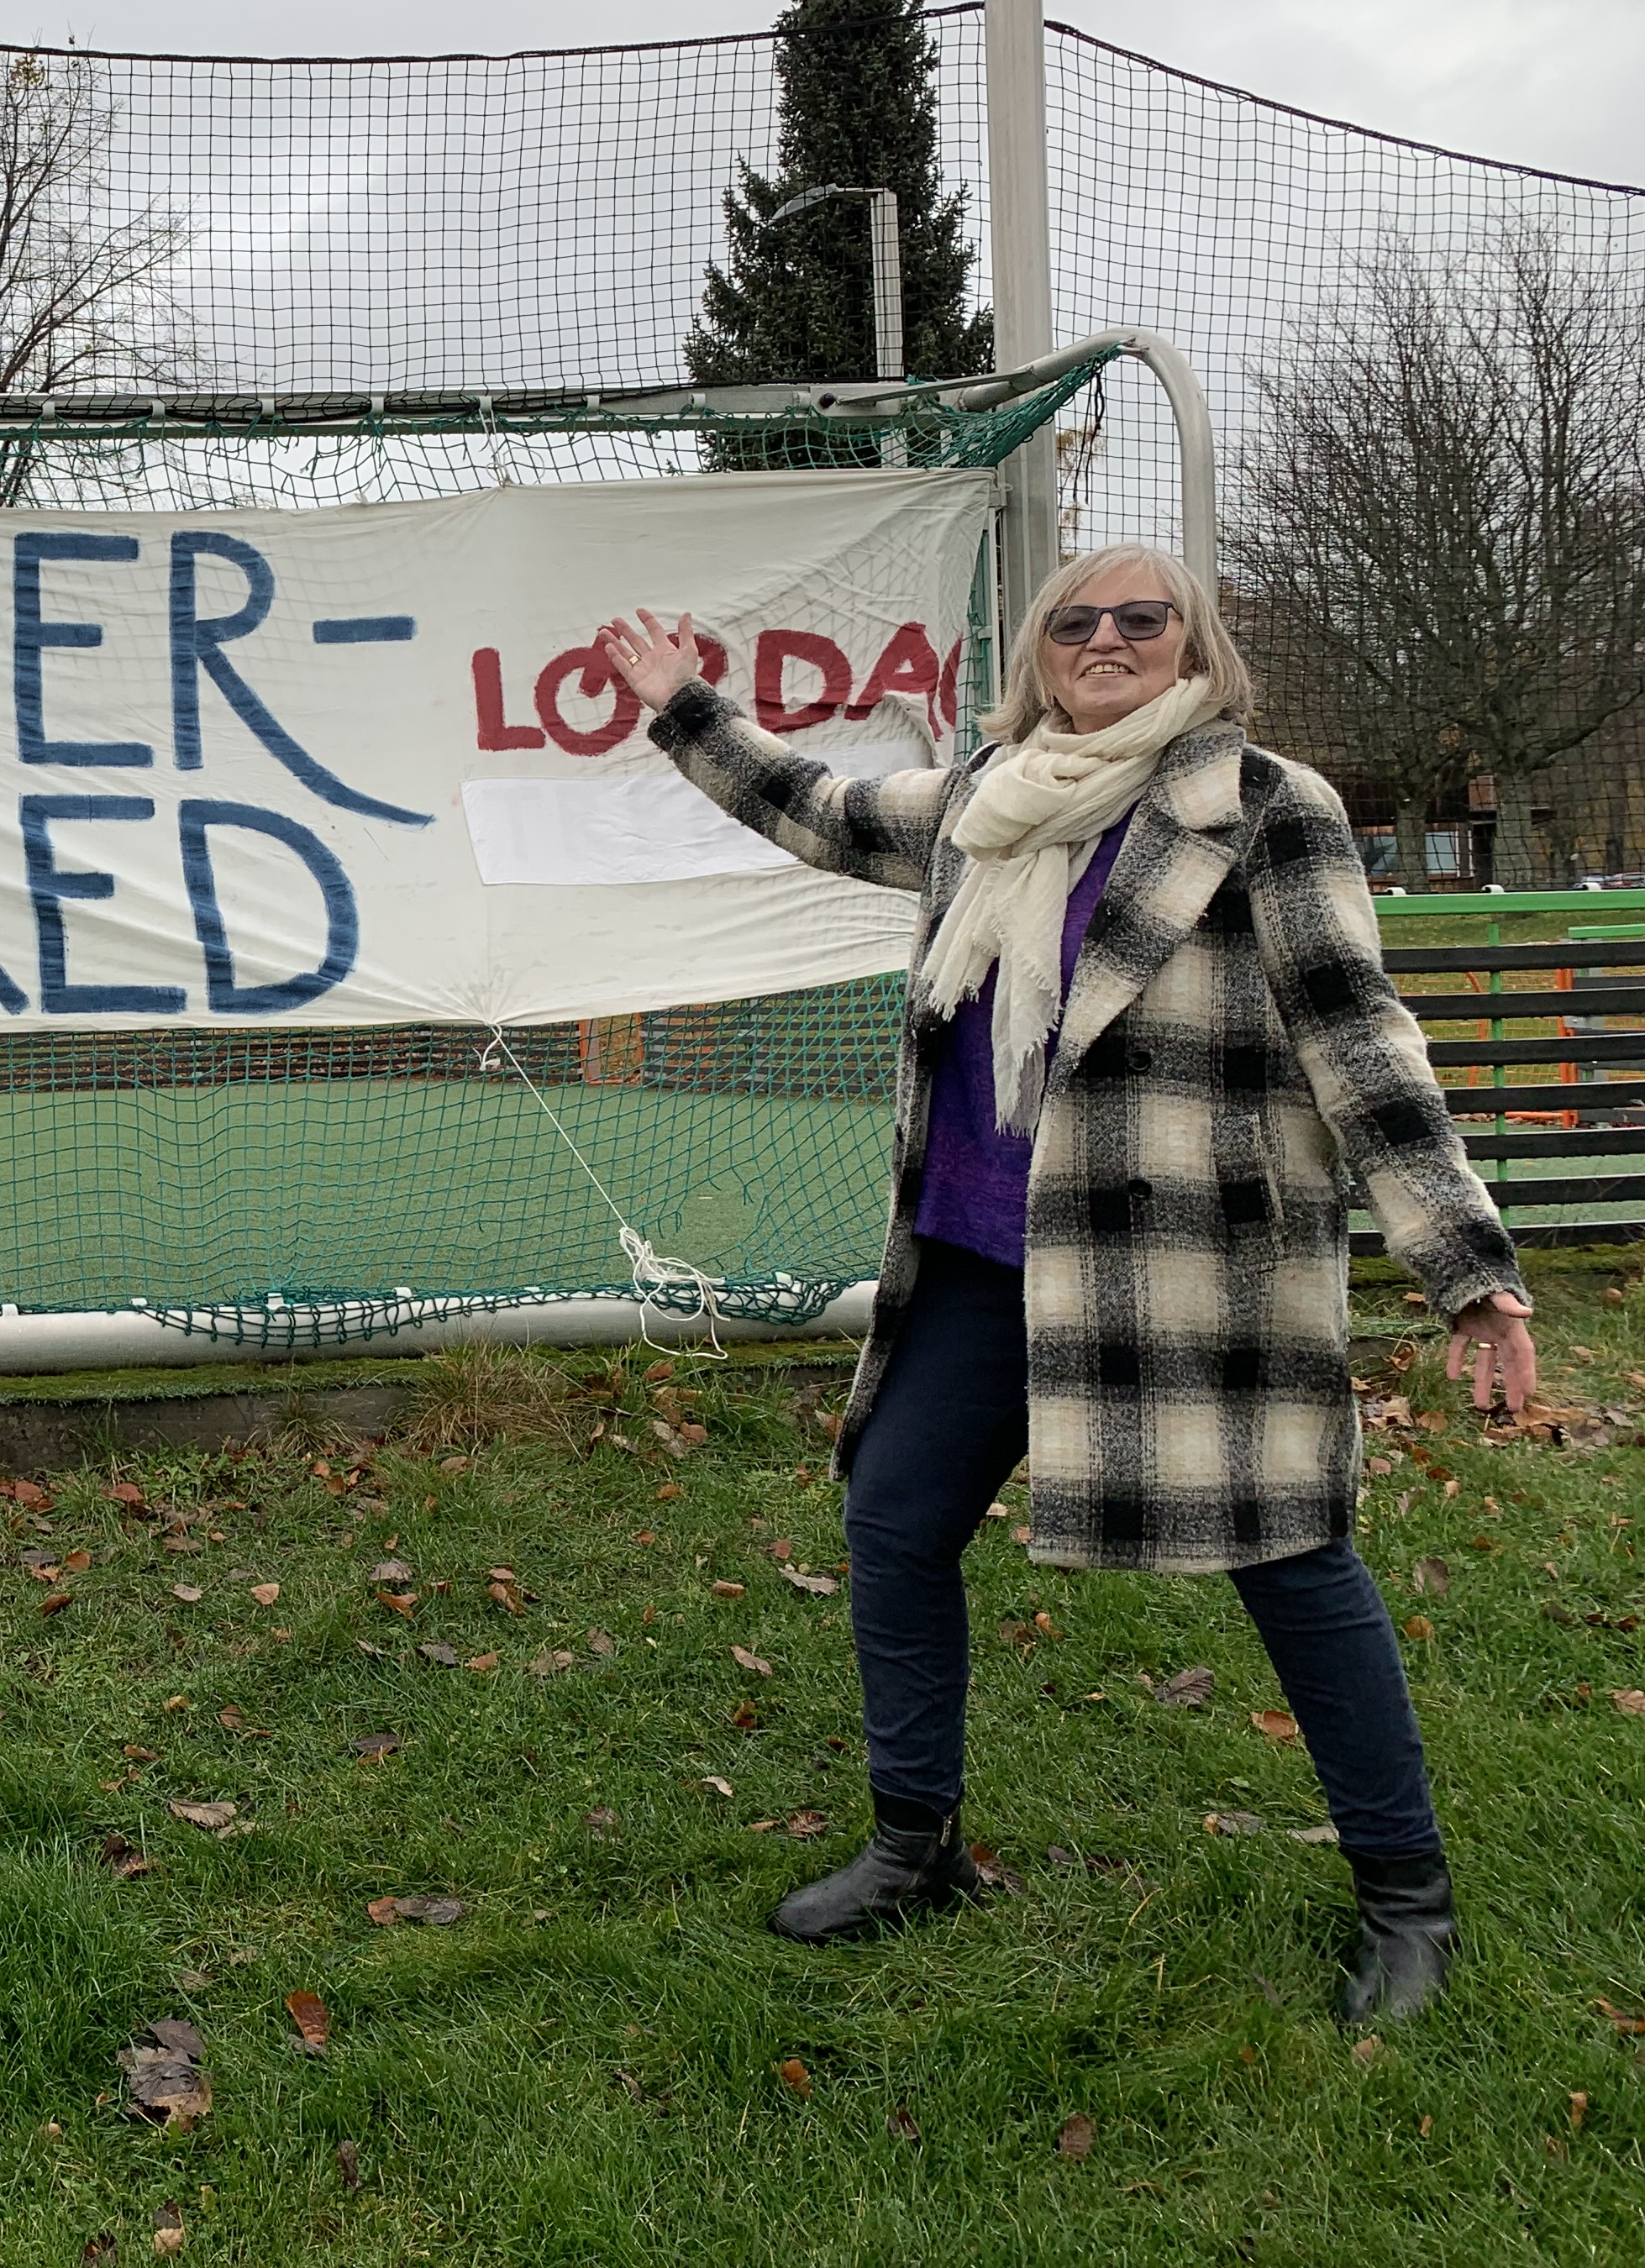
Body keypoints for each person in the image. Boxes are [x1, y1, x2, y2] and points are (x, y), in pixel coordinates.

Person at [597, 541, 1532, 2024]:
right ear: (1040, 653)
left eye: (1141, 619)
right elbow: (823, 809)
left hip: (1190, 1273)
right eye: (1075, 622)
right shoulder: (991, 799)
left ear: (1195, 647)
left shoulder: (1264, 807)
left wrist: (1467, 1265)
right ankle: (916, 1847)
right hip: (980, 1259)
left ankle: (1408, 1901)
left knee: (1292, 1557)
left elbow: (1357, 1035)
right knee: (894, 1520)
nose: (1106, 640)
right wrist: (684, 706)